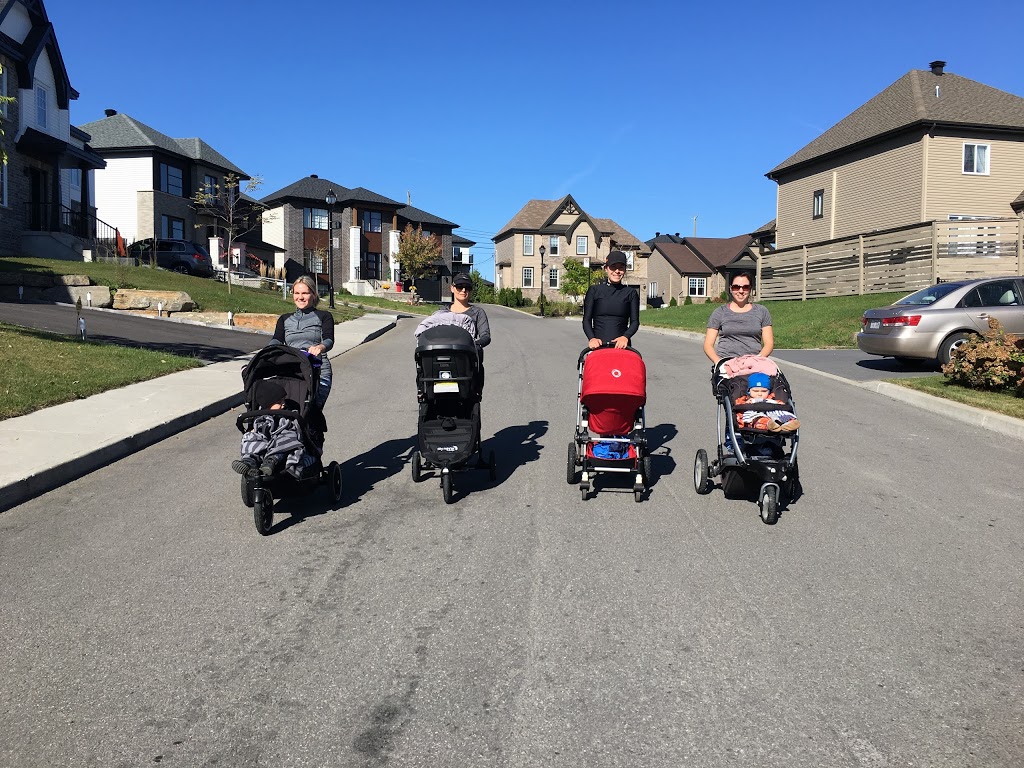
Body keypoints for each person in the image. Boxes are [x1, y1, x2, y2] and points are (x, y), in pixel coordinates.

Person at [269, 275, 334, 408]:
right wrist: (269, 350)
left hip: (317, 371)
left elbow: (329, 339)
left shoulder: (324, 316)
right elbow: (277, 339)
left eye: (305, 293)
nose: (300, 297)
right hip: (292, 370)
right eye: (297, 293)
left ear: (313, 295)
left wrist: (320, 347)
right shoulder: (285, 319)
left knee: (311, 411)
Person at [232, 380, 317, 478]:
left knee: (286, 438)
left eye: (283, 401)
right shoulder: (260, 417)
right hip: (264, 444)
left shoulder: (288, 415)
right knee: (250, 437)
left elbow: (293, 427)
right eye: (279, 402)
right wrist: (253, 431)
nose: (283, 404)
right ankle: (249, 461)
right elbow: (259, 430)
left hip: (281, 445)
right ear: (267, 406)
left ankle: (272, 460)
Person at [703, 271, 774, 364]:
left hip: (754, 364)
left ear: (750, 289)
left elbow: (769, 344)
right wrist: (719, 363)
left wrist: (757, 360)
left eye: (745, 287)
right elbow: (708, 345)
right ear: (730, 289)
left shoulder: (761, 311)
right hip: (726, 363)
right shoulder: (720, 312)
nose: (741, 291)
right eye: (736, 287)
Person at [582, 250, 639, 349]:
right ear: (606, 269)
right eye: (613, 267)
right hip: (598, 345)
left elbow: (635, 322)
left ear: (625, 270)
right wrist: (592, 338)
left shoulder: (631, 293)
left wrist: (625, 337)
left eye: (621, 267)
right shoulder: (594, 291)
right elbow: (586, 320)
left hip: (622, 346)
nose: (617, 271)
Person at [732, 372, 800, 432]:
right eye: (755, 391)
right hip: (756, 416)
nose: (759, 394)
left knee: (782, 414)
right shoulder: (746, 399)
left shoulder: (771, 398)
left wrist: (780, 404)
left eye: (764, 391)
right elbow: (737, 404)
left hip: (772, 414)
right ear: (749, 391)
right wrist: (746, 403)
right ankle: (768, 424)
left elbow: (780, 403)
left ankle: (789, 423)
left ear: (769, 391)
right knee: (758, 419)